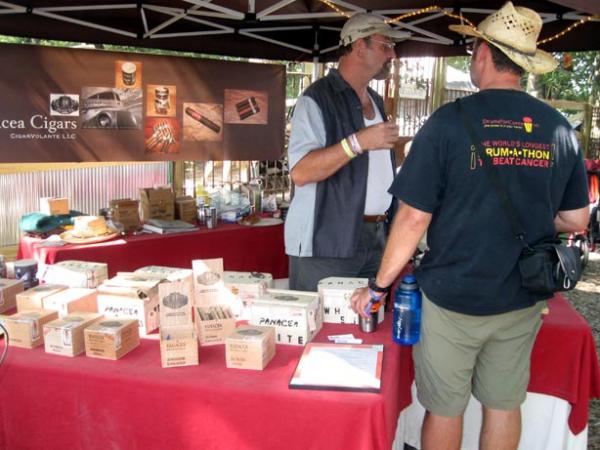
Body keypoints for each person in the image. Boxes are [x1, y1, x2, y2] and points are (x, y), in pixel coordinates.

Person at [351, 2, 589, 449]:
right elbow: (576, 218)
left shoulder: (448, 122)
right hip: (521, 296)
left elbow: (414, 217)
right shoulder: (558, 129)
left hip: (453, 296)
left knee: (445, 407)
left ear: (482, 53)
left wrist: (378, 287)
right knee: (504, 404)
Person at [285, 13, 407, 291]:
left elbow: (368, 169)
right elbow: (301, 171)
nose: (393, 54)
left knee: (364, 329)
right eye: (385, 45)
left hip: (374, 237)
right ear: (359, 46)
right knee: (318, 328)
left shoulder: (375, 100)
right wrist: (357, 142)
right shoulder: (315, 99)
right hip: (326, 241)